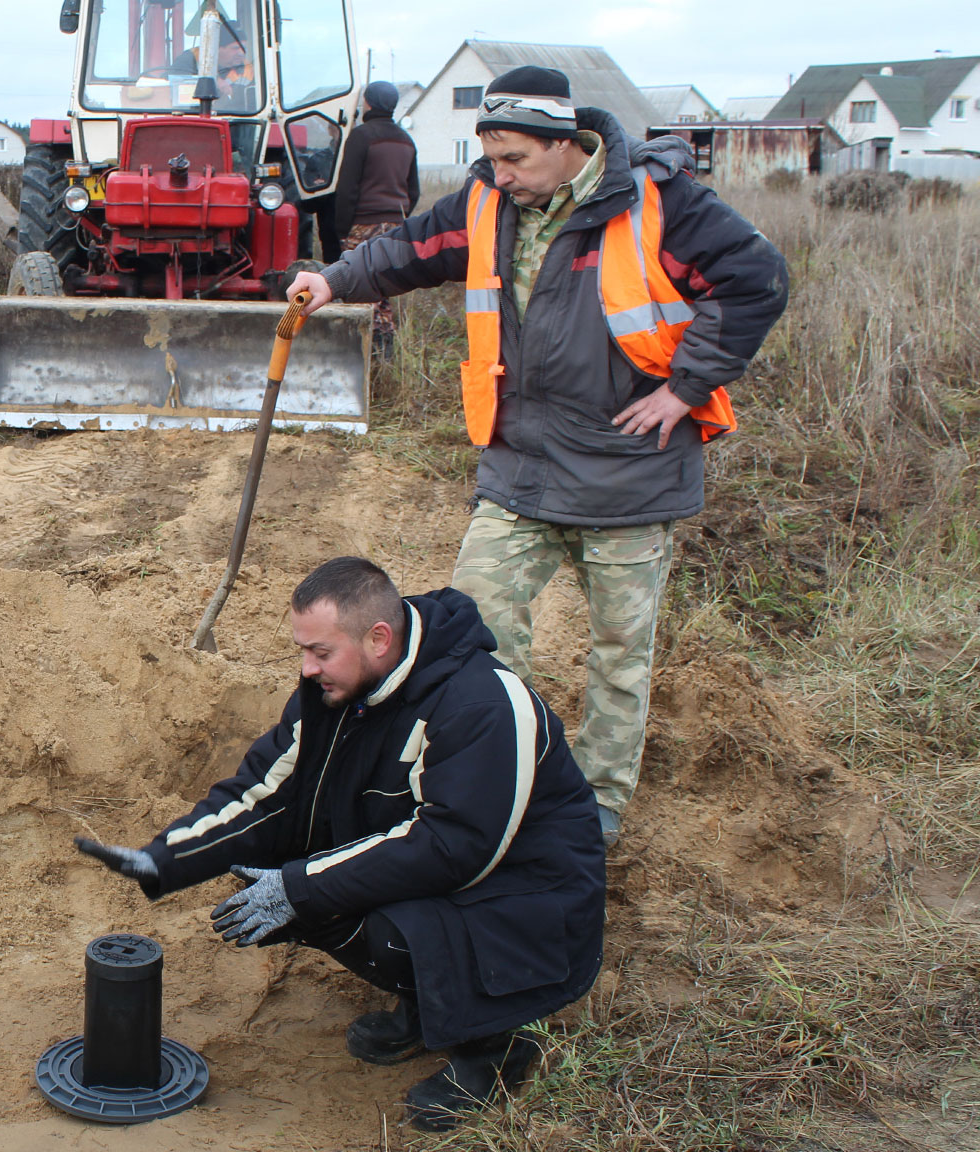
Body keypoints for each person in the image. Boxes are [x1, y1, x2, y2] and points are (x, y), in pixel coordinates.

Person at [287, 66, 789, 847]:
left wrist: (686, 389)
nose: (502, 174)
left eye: (517, 158)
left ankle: (597, 808)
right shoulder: (489, 199)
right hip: (521, 468)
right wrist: (334, 281)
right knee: (472, 636)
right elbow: (412, 247)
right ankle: (487, 783)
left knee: (619, 657)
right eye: (491, 158)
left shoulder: (658, 204)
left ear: (567, 144)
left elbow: (757, 278)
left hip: (630, 472)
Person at [77, 557, 605, 1132]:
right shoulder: (340, 691)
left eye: (320, 652)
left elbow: (454, 847)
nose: (306, 668)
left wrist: (301, 887)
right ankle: (430, 1004)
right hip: (450, 878)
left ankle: (495, 1045)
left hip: (527, 905)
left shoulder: (483, 705)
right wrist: (166, 857)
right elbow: (269, 790)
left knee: (331, 904)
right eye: (302, 650)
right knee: (277, 872)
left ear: (379, 638)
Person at [321, 79, 419, 357]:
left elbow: (347, 187)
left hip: (363, 223)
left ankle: (358, 351)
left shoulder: (361, 136)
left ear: (368, 103)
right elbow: (414, 190)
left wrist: (342, 231)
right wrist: (398, 218)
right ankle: (385, 351)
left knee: (355, 285)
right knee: (384, 285)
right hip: (396, 224)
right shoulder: (406, 139)